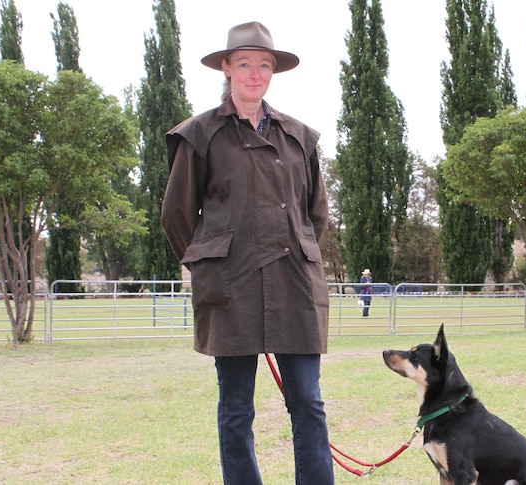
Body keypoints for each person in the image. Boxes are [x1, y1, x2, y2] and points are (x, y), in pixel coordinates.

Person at [160, 21, 333, 485]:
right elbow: (176, 215)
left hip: (296, 284)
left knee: (309, 403)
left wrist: (294, 250)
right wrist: (208, 264)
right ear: (226, 68)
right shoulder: (200, 135)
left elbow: (315, 216)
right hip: (230, 288)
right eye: (244, 64)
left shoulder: (300, 137)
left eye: (263, 65)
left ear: (272, 72)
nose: (254, 74)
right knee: (236, 407)